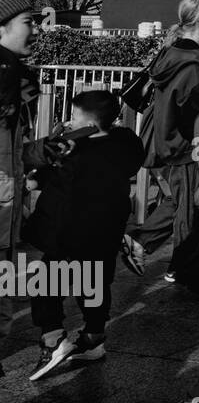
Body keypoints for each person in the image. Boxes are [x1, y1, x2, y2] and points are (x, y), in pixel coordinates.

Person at [26, 91, 144, 381]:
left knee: (46, 283)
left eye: (75, 115)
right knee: (95, 282)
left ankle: (52, 339)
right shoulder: (126, 142)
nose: (69, 120)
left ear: (87, 120)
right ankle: (93, 337)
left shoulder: (74, 153)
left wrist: (37, 176)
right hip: (105, 231)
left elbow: (46, 184)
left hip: (69, 232)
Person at [127, 0, 199, 298]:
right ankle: (186, 270)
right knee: (190, 210)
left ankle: (142, 242)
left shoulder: (168, 53)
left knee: (177, 201)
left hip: (160, 141)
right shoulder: (195, 62)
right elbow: (194, 111)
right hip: (184, 147)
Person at [0, 0, 40, 378]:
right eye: (29, 22)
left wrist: (45, 151)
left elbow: (15, 148)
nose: (36, 30)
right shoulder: (7, 75)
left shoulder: (15, 76)